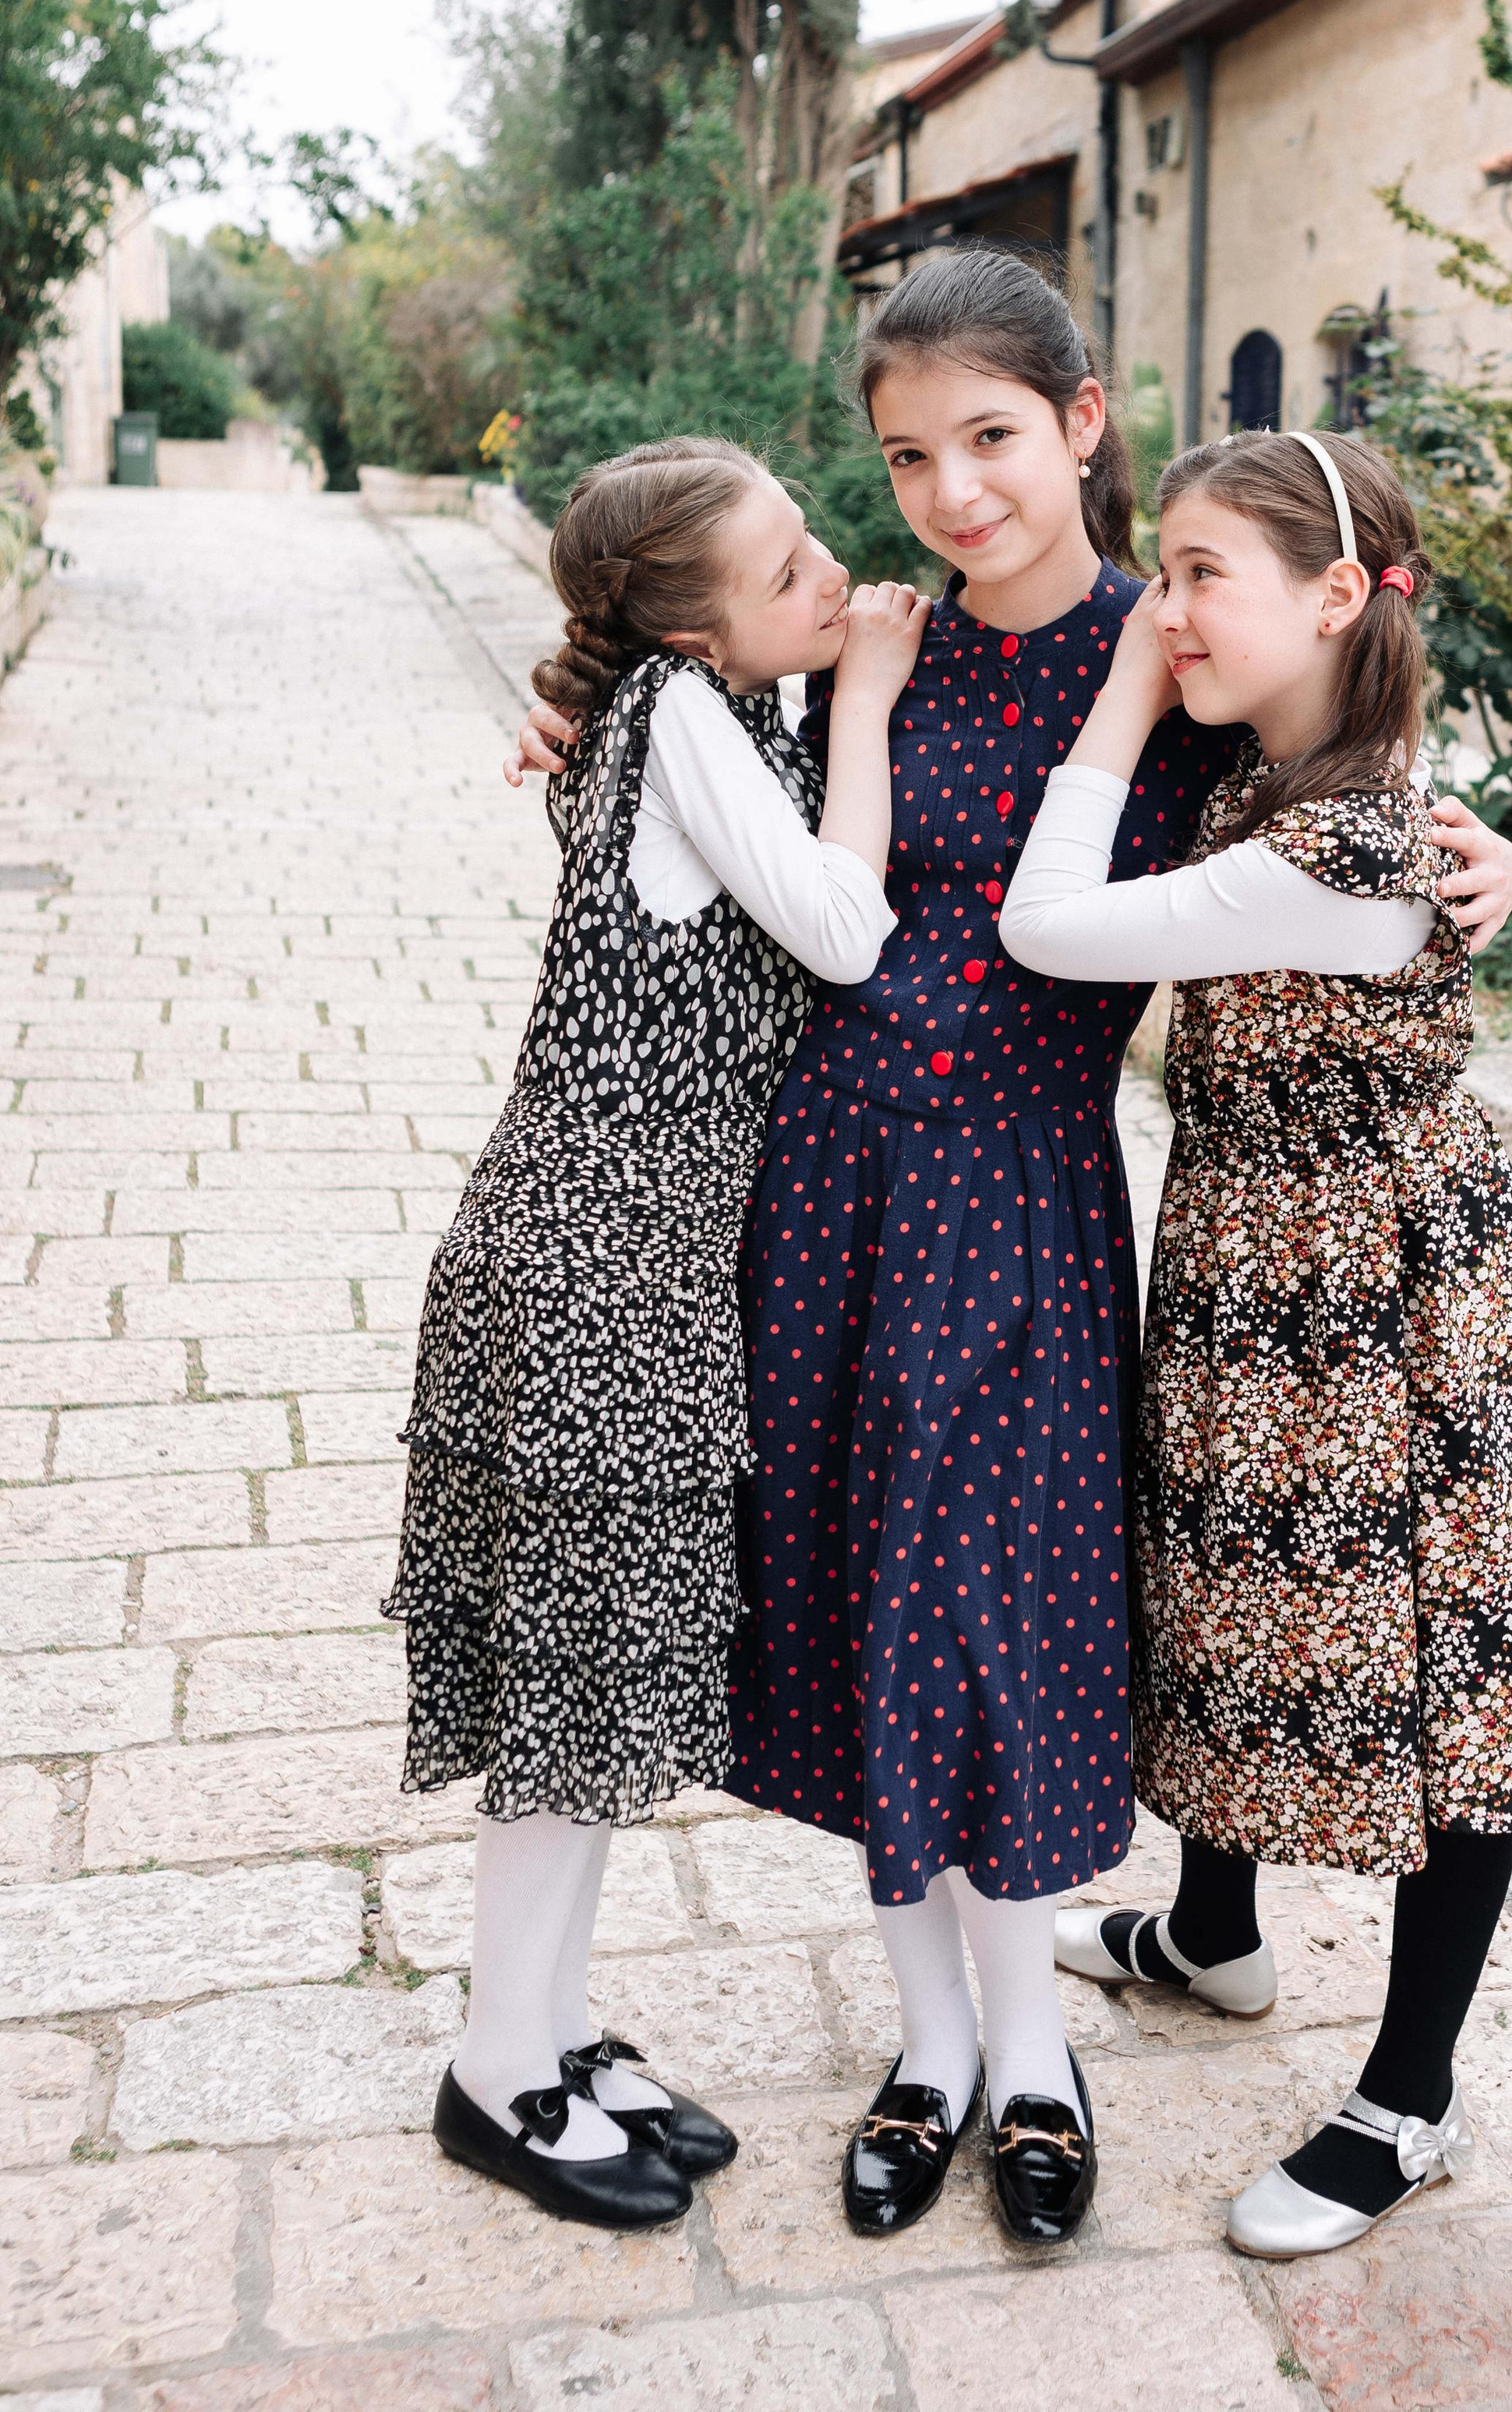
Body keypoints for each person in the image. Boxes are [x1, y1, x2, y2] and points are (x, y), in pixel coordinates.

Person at [511, 254, 1512, 2247]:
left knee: (1006, 1622)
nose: (951, 491)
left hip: (1028, 1201)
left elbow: (1348, 775)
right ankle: (931, 2048)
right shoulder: (839, 648)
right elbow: (667, 713)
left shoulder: (1173, 661)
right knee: (865, 1613)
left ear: (1078, 422)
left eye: (988, 438)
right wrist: (569, 724)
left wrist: (1487, 846)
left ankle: (1039, 2061)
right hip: (817, 1193)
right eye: (906, 455)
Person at [998, 424, 1512, 2261]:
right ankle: (1212, 1934)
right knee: (1230, 1603)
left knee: (1436, 1684)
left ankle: (1408, 2099)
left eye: (1203, 576)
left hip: (1381, 1305)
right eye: (1166, 570)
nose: (1163, 607)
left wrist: (1123, 692)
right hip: (1252, 1268)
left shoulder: (1346, 845)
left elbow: (1051, 927)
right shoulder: (1299, 771)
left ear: (1339, 594)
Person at [387, 436, 927, 2232]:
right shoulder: (702, 721)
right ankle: (494, 2072)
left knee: (598, 1677)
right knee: (572, 1689)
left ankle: (545, 2029)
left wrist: (818, 688)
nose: (829, 575)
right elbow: (843, 933)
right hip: (599, 1261)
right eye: (785, 572)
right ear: (691, 633)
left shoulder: (704, 715)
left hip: (625, 1255)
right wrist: (867, 697)